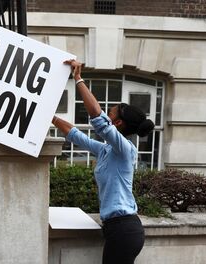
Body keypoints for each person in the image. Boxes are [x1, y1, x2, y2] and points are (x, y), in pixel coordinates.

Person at [52, 60, 154, 264]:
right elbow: (77, 137)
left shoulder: (125, 150)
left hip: (124, 229)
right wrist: (51, 117)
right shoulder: (108, 150)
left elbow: (97, 118)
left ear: (117, 124)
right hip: (118, 229)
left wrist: (78, 79)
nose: (107, 113)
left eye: (112, 113)